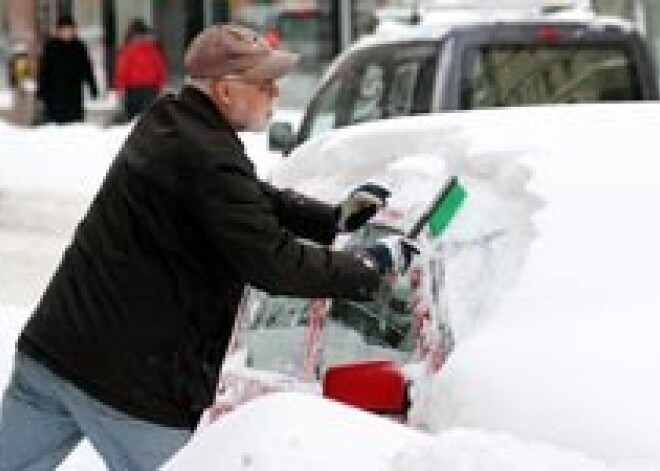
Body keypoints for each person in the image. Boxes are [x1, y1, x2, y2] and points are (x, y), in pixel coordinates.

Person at [0, 24, 414, 469]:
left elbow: (247, 197)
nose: (275, 93)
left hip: (55, 351)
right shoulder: (209, 157)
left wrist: (330, 220)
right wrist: (366, 267)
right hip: (131, 386)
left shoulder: (169, 120)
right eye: (265, 83)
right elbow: (272, 263)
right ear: (225, 91)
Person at [36, 14, 98, 124]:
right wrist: (41, 91)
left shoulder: (79, 46)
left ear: (74, 30)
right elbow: (44, 71)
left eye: (69, 29)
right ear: (58, 31)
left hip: (74, 92)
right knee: (57, 124)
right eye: (64, 30)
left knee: (74, 123)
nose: (67, 32)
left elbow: (87, 68)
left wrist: (92, 86)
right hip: (55, 93)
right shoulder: (51, 47)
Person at [113, 18, 167, 121]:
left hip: (134, 89)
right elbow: (161, 69)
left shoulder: (128, 50)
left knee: (133, 118)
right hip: (150, 88)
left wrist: (120, 88)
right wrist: (160, 85)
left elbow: (121, 71)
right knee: (148, 118)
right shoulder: (153, 49)